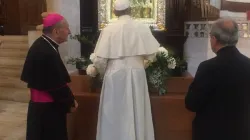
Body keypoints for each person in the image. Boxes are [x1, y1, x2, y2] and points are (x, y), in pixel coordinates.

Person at [90, 0, 160, 140]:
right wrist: (140, 63)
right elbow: (152, 55)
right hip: (137, 74)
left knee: (113, 113)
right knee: (137, 111)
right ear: (130, 10)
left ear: (115, 12)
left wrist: (103, 72)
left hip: (114, 75)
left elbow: (100, 60)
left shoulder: (109, 29)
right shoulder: (141, 27)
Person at [185, 18, 250, 140]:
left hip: (211, 133)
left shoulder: (207, 67)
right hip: (241, 133)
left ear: (214, 39)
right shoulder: (248, 65)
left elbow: (191, 104)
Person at [20, 13, 78, 140]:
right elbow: (56, 86)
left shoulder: (44, 44)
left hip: (43, 108)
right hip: (48, 110)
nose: (69, 31)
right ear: (56, 31)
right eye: (67, 28)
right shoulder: (45, 51)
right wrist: (70, 102)